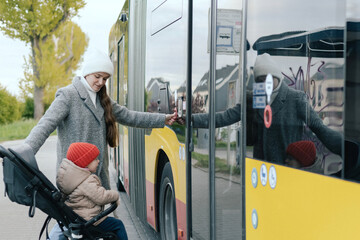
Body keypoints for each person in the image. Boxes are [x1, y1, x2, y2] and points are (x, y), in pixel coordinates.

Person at [23, 49, 177, 239]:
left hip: (96, 177)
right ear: (86, 72)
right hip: (74, 181)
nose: (101, 82)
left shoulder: (103, 100)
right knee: (72, 226)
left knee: (87, 229)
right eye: (98, 76)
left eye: (105, 79)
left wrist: (163, 119)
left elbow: (130, 116)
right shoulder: (68, 96)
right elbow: (45, 125)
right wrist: (25, 151)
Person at [191, 53, 342, 164]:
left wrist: (346, 148)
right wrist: (190, 119)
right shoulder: (253, 100)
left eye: (269, 78)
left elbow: (319, 128)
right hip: (261, 172)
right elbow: (225, 117)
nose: (265, 84)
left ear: (277, 77)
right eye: (261, 80)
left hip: (288, 169)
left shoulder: (296, 98)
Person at [57, 142, 127, 239]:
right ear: (85, 162)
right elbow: (101, 197)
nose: (98, 161)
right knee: (118, 225)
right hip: (90, 221)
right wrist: (115, 195)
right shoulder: (86, 181)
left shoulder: (72, 180)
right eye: (95, 159)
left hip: (78, 219)